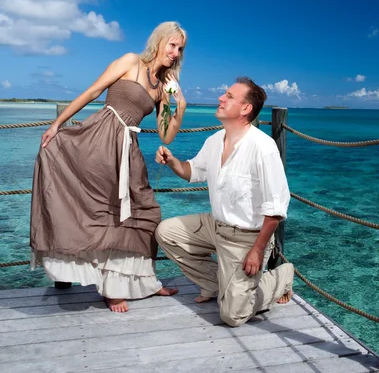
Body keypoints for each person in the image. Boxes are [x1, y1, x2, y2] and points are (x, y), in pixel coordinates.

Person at [30, 21, 187, 313]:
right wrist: (57, 124)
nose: (176, 53)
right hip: (100, 139)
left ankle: (146, 283)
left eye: (180, 49)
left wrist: (180, 103)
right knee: (105, 213)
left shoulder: (163, 88)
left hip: (128, 150)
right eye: (172, 45)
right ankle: (111, 290)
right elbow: (92, 92)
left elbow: (166, 135)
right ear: (160, 41)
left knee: (147, 213)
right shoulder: (130, 62)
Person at [155, 77, 294, 327]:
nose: (220, 98)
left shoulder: (263, 147)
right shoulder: (214, 141)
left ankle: (281, 277)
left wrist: (258, 249)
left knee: (233, 316)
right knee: (166, 232)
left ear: (245, 108)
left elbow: (276, 208)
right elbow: (192, 171)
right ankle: (216, 284)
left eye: (229, 96)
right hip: (214, 225)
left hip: (246, 237)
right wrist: (172, 160)